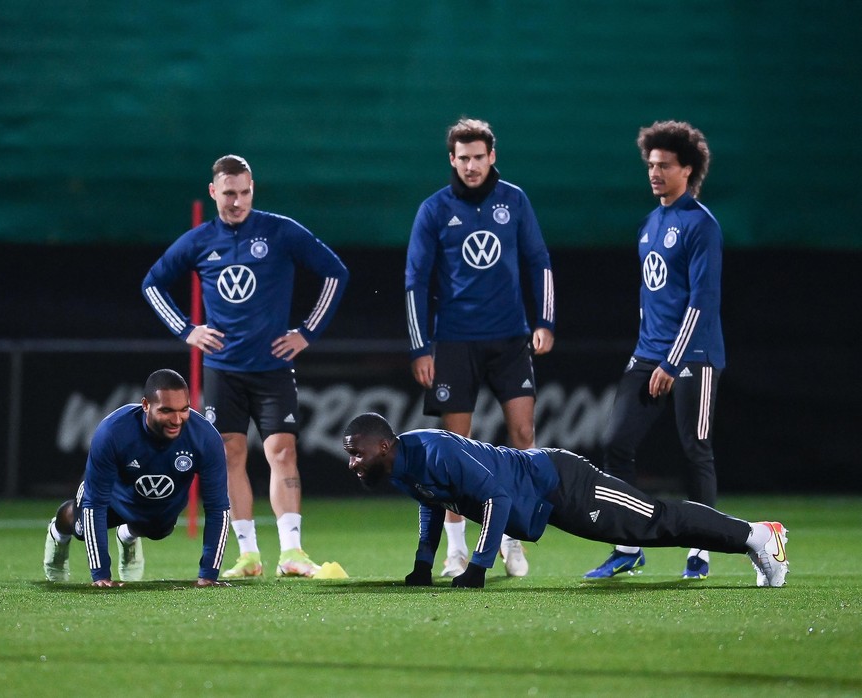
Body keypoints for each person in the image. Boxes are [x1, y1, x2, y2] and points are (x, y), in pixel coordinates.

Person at [142, 155, 349, 579]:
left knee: (282, 451)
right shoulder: (200, 240)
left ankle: (291, 552)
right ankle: (248, 555)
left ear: (253, 189)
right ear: (213, 191)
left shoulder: (279, 230)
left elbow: (335, 273)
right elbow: (153, 283)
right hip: (223, 368)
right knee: (229, 455)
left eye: (244, 192)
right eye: (229, 193)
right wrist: (187, 330)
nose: (237, 201)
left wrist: (306, 332)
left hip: (272, 366)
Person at [341, 413, 788, 589]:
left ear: (383, 446)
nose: (352, 463)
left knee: (655, 520)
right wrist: (423, 564)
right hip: (543, 503)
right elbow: (430, 502)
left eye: (356, 453)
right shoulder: (400, 469)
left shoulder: (437, 450)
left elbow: (495, 497)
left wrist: (478, 567)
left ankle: (758, 535)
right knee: (652, 529)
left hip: (560, 481)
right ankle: (753, 538)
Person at [404, 117, 556, 579]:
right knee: (456, 450)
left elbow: (538, 261)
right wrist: (420, 347)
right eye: (462, 158)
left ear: (492, 157)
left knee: (524, 438)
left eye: (478, 157)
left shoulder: (515, 200)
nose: (471, 165)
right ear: (452, 159)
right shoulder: (434, 209)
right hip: (454, 343)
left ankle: (513, 540)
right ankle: (455, 550)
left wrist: (544, 321)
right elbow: (415, 280)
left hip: (510, 339)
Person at [586, 121, 726, 581]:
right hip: (647, 355)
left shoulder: (701, 225)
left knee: (695, 449)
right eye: (651, 165)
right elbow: (653, 298)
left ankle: (700, 549)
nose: (655, 173)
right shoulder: (650, 223)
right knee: (616, 444)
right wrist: (649, 354)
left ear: (688, 169)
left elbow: (701, 302)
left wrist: (673, 360)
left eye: (664, 165)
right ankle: (628, 545)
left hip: (695, 357)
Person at [43, 369, 230, 587]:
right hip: (112, 495)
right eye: (167, 410)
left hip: (159, 502)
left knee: (160, 531)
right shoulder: (113, 431)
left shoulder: (206, 438)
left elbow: (218, 507)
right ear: (145, 405)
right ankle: (57, 532)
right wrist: (101, 575)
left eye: (184, 409)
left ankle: (127, 535)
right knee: (82, 529)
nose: (177, 420)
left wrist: (209, 574)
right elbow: (95, 503)